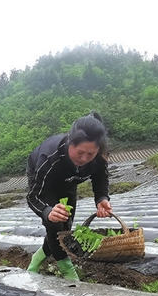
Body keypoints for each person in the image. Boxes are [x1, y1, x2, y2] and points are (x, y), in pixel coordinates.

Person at [26, 111, 113, 281]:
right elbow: (33, 197)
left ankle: (37, 259)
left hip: (68, 183)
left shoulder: (99, 157)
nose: (84, 158)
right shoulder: (49, 157)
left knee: (65, 229)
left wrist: (102, 198)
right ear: (69, 142)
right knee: (55, 223)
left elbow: (100, 178)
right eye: (80, 152)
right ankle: (66, 268)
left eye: (90, 154)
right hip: (46, 184)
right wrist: (47, 211)